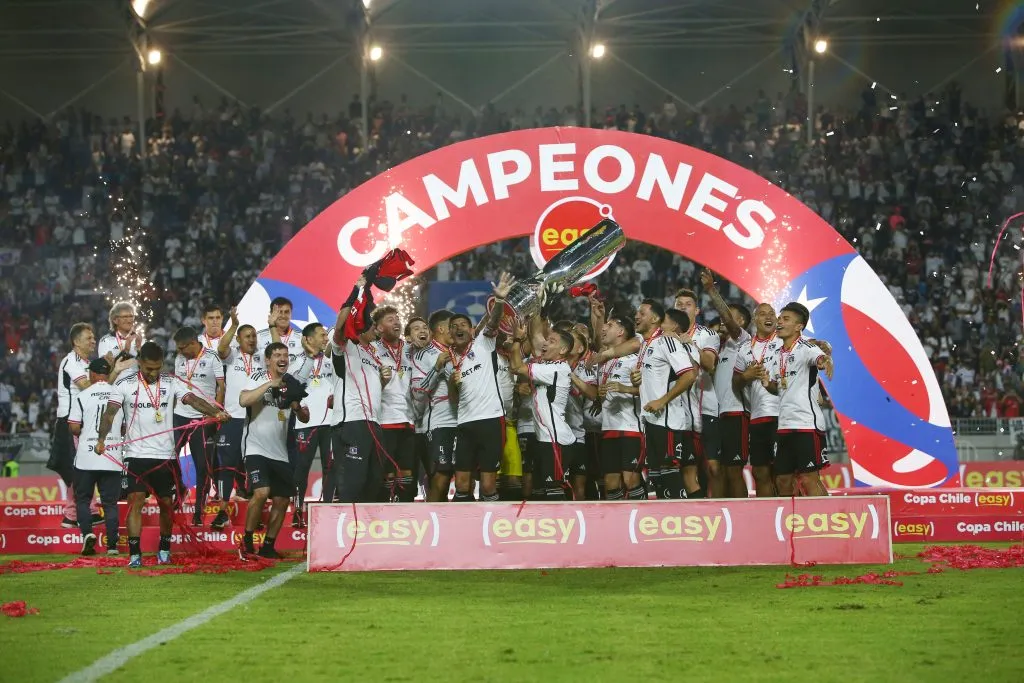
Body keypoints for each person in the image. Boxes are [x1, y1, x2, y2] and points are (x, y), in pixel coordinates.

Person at [95, 342, 229, 568]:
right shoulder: (125, 384)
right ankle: (135, 554)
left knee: (167, 505)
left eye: (157, 368)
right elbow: (109, 414)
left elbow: (192, 400)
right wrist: (101, 439)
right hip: (136, 455)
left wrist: (215, 412)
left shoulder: (171, 381)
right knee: (135, 502)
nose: (153, 373)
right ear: (139, 363)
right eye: (149, 369)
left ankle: (164, 549)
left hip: (165, 455)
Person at [444, 272, 515, 502]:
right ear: (451, 334)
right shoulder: (450, 362)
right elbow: (454, 400)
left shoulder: (482, 344)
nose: (458, 328)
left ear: (472, 329)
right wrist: (451, 383)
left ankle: (490, 531)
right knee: (462, 486)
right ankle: (463, 532)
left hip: (491, 421)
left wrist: (500, 301)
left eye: (463, 324)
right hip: (464, 423)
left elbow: (493, 322)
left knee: (487, 486)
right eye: (453, 326)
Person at [238, 342, 310, 558]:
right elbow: (243, 400)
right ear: (267, 360)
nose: (282, 358)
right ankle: (247, 541)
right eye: (277, 354)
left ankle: (268, 546)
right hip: (255, 447)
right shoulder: (257, 377)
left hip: (279, 451)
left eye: (285, 355)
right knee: (261, 492)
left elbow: (305, 417)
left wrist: (298, 407)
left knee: (282, 499)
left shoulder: (292, 383)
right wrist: (271, 384)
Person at [760, 302, 835, 497]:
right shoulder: (778, 354)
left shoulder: (805, 348)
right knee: (782, 480)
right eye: (780, 318)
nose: (779, 322)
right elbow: (780, 389)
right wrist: (768, 384)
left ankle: (828, 523)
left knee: (809, 479)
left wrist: (826, 361)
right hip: (784, 426)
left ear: (798, 326)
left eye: (785, 319)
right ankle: (793, 524)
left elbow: (820, 357)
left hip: (806, 424)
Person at [330, 277, 389, 503]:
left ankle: (367, 535)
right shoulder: (345, 348)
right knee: (352, 485)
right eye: (373, 326)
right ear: (361, 328)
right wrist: (356, 290)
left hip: (374, 422)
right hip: (352, 422)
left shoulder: (374, 354)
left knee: (374, 483)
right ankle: (344, 534)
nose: (376, 330)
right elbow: (340, 325)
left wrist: (383, 381)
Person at [632, 300, 698, 499]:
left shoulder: (667, 341)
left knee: (670, 475)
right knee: (657, 478)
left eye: (642, 313)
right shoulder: (646, 345)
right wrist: (635, 381)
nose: (636, 316)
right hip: (651, 421)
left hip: (668, 421)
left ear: (654, 319)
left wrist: (662, 401)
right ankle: (665, 526)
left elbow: (689, 376)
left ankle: (684, 524)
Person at [507, 324, 576, 500]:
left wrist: (516, 340)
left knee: (553, 489)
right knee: (541, 489)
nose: (545, 343)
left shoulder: (557, 369)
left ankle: (563, 525)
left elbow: (516, 367)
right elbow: (537, 334)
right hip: (544, 438)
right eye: (547, 339)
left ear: (563, 349)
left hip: (555, 439)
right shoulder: (548, 365)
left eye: (551, 341)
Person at [701, 269, 753, 498]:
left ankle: (741, 517)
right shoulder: (719, 346)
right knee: (718, 471)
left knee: (733, 470)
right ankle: (721, 516)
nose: (723, 320)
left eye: (728, 316)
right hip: (719, 415)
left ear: (740, 322)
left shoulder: (742, 341)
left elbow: (730, 324)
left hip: (736, 414)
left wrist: (712, 291)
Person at [68, 358, 126, 556]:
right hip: (111, 456)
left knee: (83, 500)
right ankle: (112, 546)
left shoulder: (82, 396)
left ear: (92, 374)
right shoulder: (119, 395)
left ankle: (87, 535)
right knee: (110, 503)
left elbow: (74, 427)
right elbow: (125, 426)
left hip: (86, 456)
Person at [172, 326, 226, 527]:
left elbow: (221, 387)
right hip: (179, 415)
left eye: (182, 348)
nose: (179, 352)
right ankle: (180, 490)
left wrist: (215, 412)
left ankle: (198, 512)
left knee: (202, 466)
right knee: (168, 457)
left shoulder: (213, 357)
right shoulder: (179, 359)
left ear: (193, 343)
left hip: (203, 418)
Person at [212, 320, 263, 529]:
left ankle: (255, 516)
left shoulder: (262, 357)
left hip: (256, 420)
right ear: (238, 340)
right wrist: (233, 325)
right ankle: (222, 512)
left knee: (255, 467)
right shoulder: (231, 355)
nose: (252, 339)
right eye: (247, 336)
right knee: (226, 467)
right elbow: (221, 348)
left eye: (254, 336)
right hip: (232, 417)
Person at [673, 287, 723, 497]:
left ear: (697, 311)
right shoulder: (665, 336)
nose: (683, 308)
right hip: (679, 412)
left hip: (707, 409)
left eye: (688, 304)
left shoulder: (708, 334)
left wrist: (690, 343)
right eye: (679, 305)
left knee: (712, 467)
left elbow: (710, 364)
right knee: (686, 467)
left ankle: (722, 512)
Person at [51, 322, 99, 529]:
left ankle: (82, 512)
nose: (93, 341)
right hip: (71, 422)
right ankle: (75, 513)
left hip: (81, 421)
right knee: (78, 469)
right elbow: (87, 389)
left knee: (83, 467)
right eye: (89, 338)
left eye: (93, 337)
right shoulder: (71, 361)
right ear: (76, 342)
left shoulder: (85, 362)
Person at [732, 303, 781, 497]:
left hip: (782, 416)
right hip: (758, 418)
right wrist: (746, 376)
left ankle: (790, 519)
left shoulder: (785, 342)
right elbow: (735, 383)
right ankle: (768, 519)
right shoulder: (745, 348)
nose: (768, 317)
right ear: (755, 320)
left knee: (783, 473)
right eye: (763, 314)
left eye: (772, 314)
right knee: (760, 473)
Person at [410, 309, 458, 502]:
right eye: (452, 326)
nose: (456, 330)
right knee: (441, 475)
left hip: (462, 421)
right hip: (438, 424)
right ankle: (432, 521)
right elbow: (418, 391)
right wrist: (437, 368)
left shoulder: (458, 352)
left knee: (464, 477)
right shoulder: (425, 355)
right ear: (441, 329)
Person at [372, 306, 418, 502]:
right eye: (390, 320)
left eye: (397, 319)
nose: (397, 323)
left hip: (408, 418)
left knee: (407, 469)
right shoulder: (373, 350)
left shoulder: (411, 348)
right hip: (385, 419)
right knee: (387, 471)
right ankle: (384, 512)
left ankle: (405, 512)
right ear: (379, 328)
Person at [596, 313, 644, 501]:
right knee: (610, 482)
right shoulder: (604, 362)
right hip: (608, 428)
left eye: (610, 324)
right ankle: (617, 525)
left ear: (621, 331)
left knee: (630, 480)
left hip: (630, 428)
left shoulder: (635, 358)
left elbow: (649, 391)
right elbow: (596, 334)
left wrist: (625, 388)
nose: (604, 328)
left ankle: (640, 521)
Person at [290, 322, 334, 525]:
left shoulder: (331, 359)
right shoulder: (295, 360)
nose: (326, 338)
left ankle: (328, 511)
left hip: (331, 422)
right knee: (302, 468)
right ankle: (298, 511)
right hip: (305, 422)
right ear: (308, 339)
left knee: (330, 467)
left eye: (326, 335)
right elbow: (295, 384)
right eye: (322, 335)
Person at [257, 296, 304, 363]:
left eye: (286, 312)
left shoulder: (302, 338)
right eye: (279, 312)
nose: (283, 316)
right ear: (271, 313)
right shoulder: (258, 337)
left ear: (291, 314)